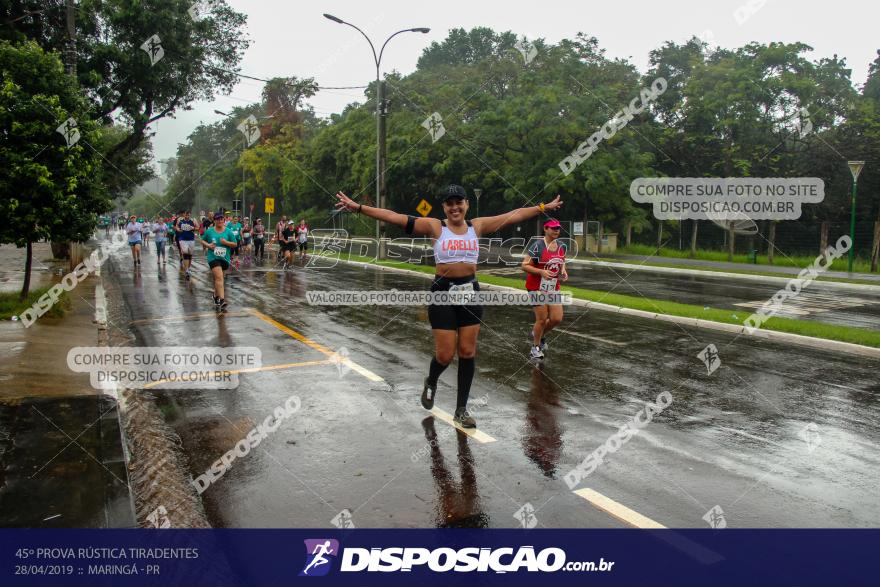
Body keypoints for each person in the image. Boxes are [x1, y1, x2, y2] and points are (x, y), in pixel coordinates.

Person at [335, 185, 563, 428]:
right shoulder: (435, 227)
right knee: (445, 354)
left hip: (470, 294)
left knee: (467, 352)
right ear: (444, 207)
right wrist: (359, 208)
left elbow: (513, 215)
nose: (455, 207)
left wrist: (541, 208)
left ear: (466, 204)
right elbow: (393, 216)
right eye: (449, 203)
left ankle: (461, 410)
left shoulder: (477, 226)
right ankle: (431, 380)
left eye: (459, 202)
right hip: (443, 294)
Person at [522, 219, 568, 359]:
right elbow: (524, 265)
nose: (556, 231)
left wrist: (563, 271)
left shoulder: (561, 246)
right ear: (545, 229)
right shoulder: (538, 246)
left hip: (553, 287)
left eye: (558, 228)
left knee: (556, 318)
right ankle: (535, 348)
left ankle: (539, 334)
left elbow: (562, 261)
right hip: (536, 287)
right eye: (553, 228)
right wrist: (541, 272)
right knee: (541, 319)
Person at [199, 213, 238, 312]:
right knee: (219, 277)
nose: (220, 221)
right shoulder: (210, 231)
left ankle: (215, 295)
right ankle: (222, 300)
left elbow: (235, 244)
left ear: (224, 220)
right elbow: (202, 240)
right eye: (218, 219)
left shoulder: (228, 232)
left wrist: (226, 243)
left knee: (219, 279)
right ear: (214, 220)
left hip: (225, 258)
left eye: (221, 219)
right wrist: (208, 245)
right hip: (213, 257)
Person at [175, 210, 198, 278]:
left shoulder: (193, 220)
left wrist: (193, 228)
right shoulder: (180, 220)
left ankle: (188, 268)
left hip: (191, 239)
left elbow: (198, 227)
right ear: (184, 214)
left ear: (190, 215)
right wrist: (179, 230)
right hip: (182, 239)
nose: (187, 216)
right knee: (185, 252)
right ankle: (187, 270)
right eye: (186, 215)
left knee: (190, 254)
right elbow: (176, 227)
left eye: (188, 215)